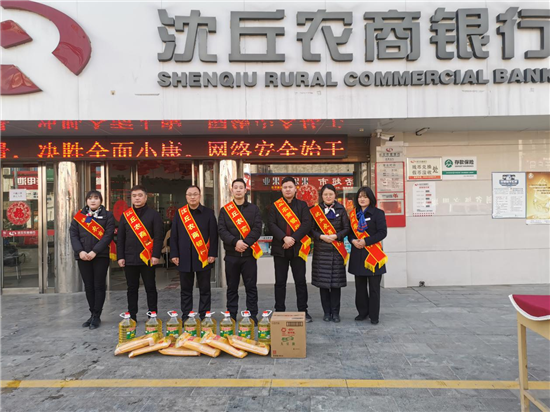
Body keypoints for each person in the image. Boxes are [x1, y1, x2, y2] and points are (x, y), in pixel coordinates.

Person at [267, 177, 313, 322]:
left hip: (298, 248)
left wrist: (292, 239)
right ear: (281, 189)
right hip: (280, 248)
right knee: (280, 282)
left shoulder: (302, 205)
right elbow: (271, 225)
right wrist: (284, 238)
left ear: (295, 189)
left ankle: (303, 310)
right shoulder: (275, 206)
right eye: (285, 187)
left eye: (290, 187)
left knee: (300, 281)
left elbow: (307, 224)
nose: (287, 189)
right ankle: (279, 310)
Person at [170, 185, 218, 320]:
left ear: (200, 196)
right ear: (186, 197)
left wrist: (212, 254)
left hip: (203, 256)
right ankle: (186, 316)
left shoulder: (208, 213)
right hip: (184, 257)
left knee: (205, 289)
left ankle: (204, 315)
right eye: (189, 194)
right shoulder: (180, 213)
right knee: (185, 289)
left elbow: (214, 235)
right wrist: (174, 254)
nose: (192, 197)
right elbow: (174, 235)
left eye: (195, 194)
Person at [218, 178, 262, 323]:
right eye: (235, 187)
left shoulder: (254, 209)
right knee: (232, 288)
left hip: (249, 255)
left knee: (251, 287)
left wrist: (246, 243)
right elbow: (222, 230)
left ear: (245, 190)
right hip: (231, 255)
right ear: (232, 190)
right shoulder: (225, 210)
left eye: (240, 187)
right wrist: (235, 242)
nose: (238, 190)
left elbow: (257, 229)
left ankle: (252, 315)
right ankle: (231, 315)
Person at [117, 185, 163, 322]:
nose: (137, 198)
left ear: (146, 197)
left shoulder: (154, 215)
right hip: (129, 257)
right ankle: (132, 316)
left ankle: (152, 315)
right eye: (134, 196)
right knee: (132, 288)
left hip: (148, 257)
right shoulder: (126, 216)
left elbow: (158, 237)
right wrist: (120, 256)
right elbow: (120, 238)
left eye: (140, 195)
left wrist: (156, 255)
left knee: (150, 287)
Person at [70, 190, 115, 329]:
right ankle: (92, 313)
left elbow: (108, 235)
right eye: (90, 198)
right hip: (83, 256)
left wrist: (95, 251)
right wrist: (80, 251)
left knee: (99, 285)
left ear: (101, 200)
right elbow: (73, 234)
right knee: (88, 286)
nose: (93, 200)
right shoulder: (79, 216)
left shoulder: (108, 215)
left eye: (96, 198)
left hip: (100, 256)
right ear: (86, 201)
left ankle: (97, 315)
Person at [310, 184, 350, 323]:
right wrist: (321, 236)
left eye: (331, 194)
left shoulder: (341, 209)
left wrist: (336, 236)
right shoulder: (315, 210)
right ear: (321, 196)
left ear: (335, 195)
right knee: (323, 285)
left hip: (337, 252)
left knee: (336, 285)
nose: (328, 197)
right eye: (325, 194)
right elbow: (310, 230)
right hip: (321, 253)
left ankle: (336, 313)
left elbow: (347, 228)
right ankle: (326, 313)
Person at [348, 186, 388, 325]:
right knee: (360, 288)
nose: (362, 199)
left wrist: (366, 241)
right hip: (358, 254)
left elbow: (382, 232)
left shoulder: (378, 213)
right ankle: (362, 312)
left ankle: (374, 315)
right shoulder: (353, 214)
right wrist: (353, 241)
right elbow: (350, 233)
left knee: (374, 288)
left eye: (365, 196)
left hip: (373, 255)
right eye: (360, 196)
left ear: (370, 198)